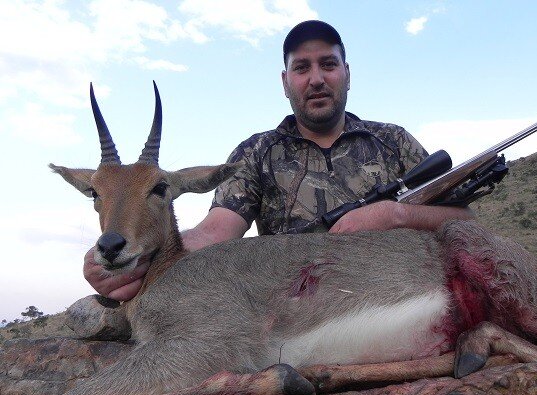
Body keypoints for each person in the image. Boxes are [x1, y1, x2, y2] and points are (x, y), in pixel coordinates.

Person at [84, 20, 473, 300]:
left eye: (328, 64)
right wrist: (135, 251)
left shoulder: (393, 141)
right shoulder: (256, 153)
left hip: (400, 291)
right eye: (302, 68)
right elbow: (215, 233)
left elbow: (465, 221)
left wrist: (396, 215)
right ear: (285, 81)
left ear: (347, 74)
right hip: (300, 306)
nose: (316, 78)